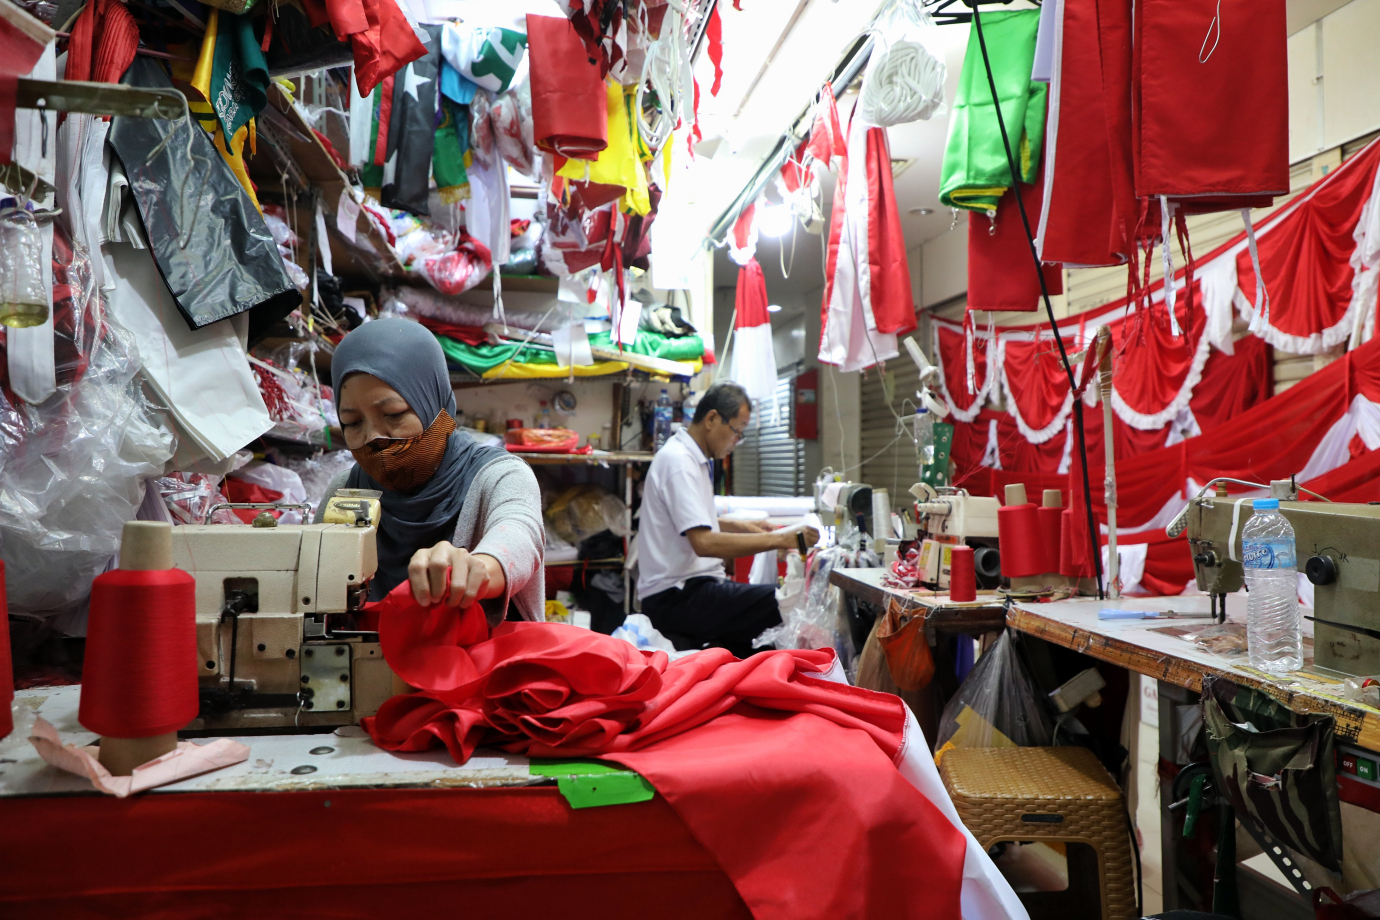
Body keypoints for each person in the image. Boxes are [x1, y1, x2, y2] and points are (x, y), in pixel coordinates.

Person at [316, 319, 545, 624]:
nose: (372, 437)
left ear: (434, 402)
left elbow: (520, 533)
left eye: (394, 415)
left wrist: (477, 567)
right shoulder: (345, 491)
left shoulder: (500, 477)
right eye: (352, 422)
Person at [637, 382, 819, 658]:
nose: (735, 442)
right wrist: (783, 539)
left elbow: (694, 520)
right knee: (781, 602)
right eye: (736, 431)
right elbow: (704, 542)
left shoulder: (692, 459)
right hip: (675, 595)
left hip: (689, 589)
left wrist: (749, 528)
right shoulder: (679, 462)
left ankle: (734, 677)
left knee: (760, 640)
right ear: (711, 419)